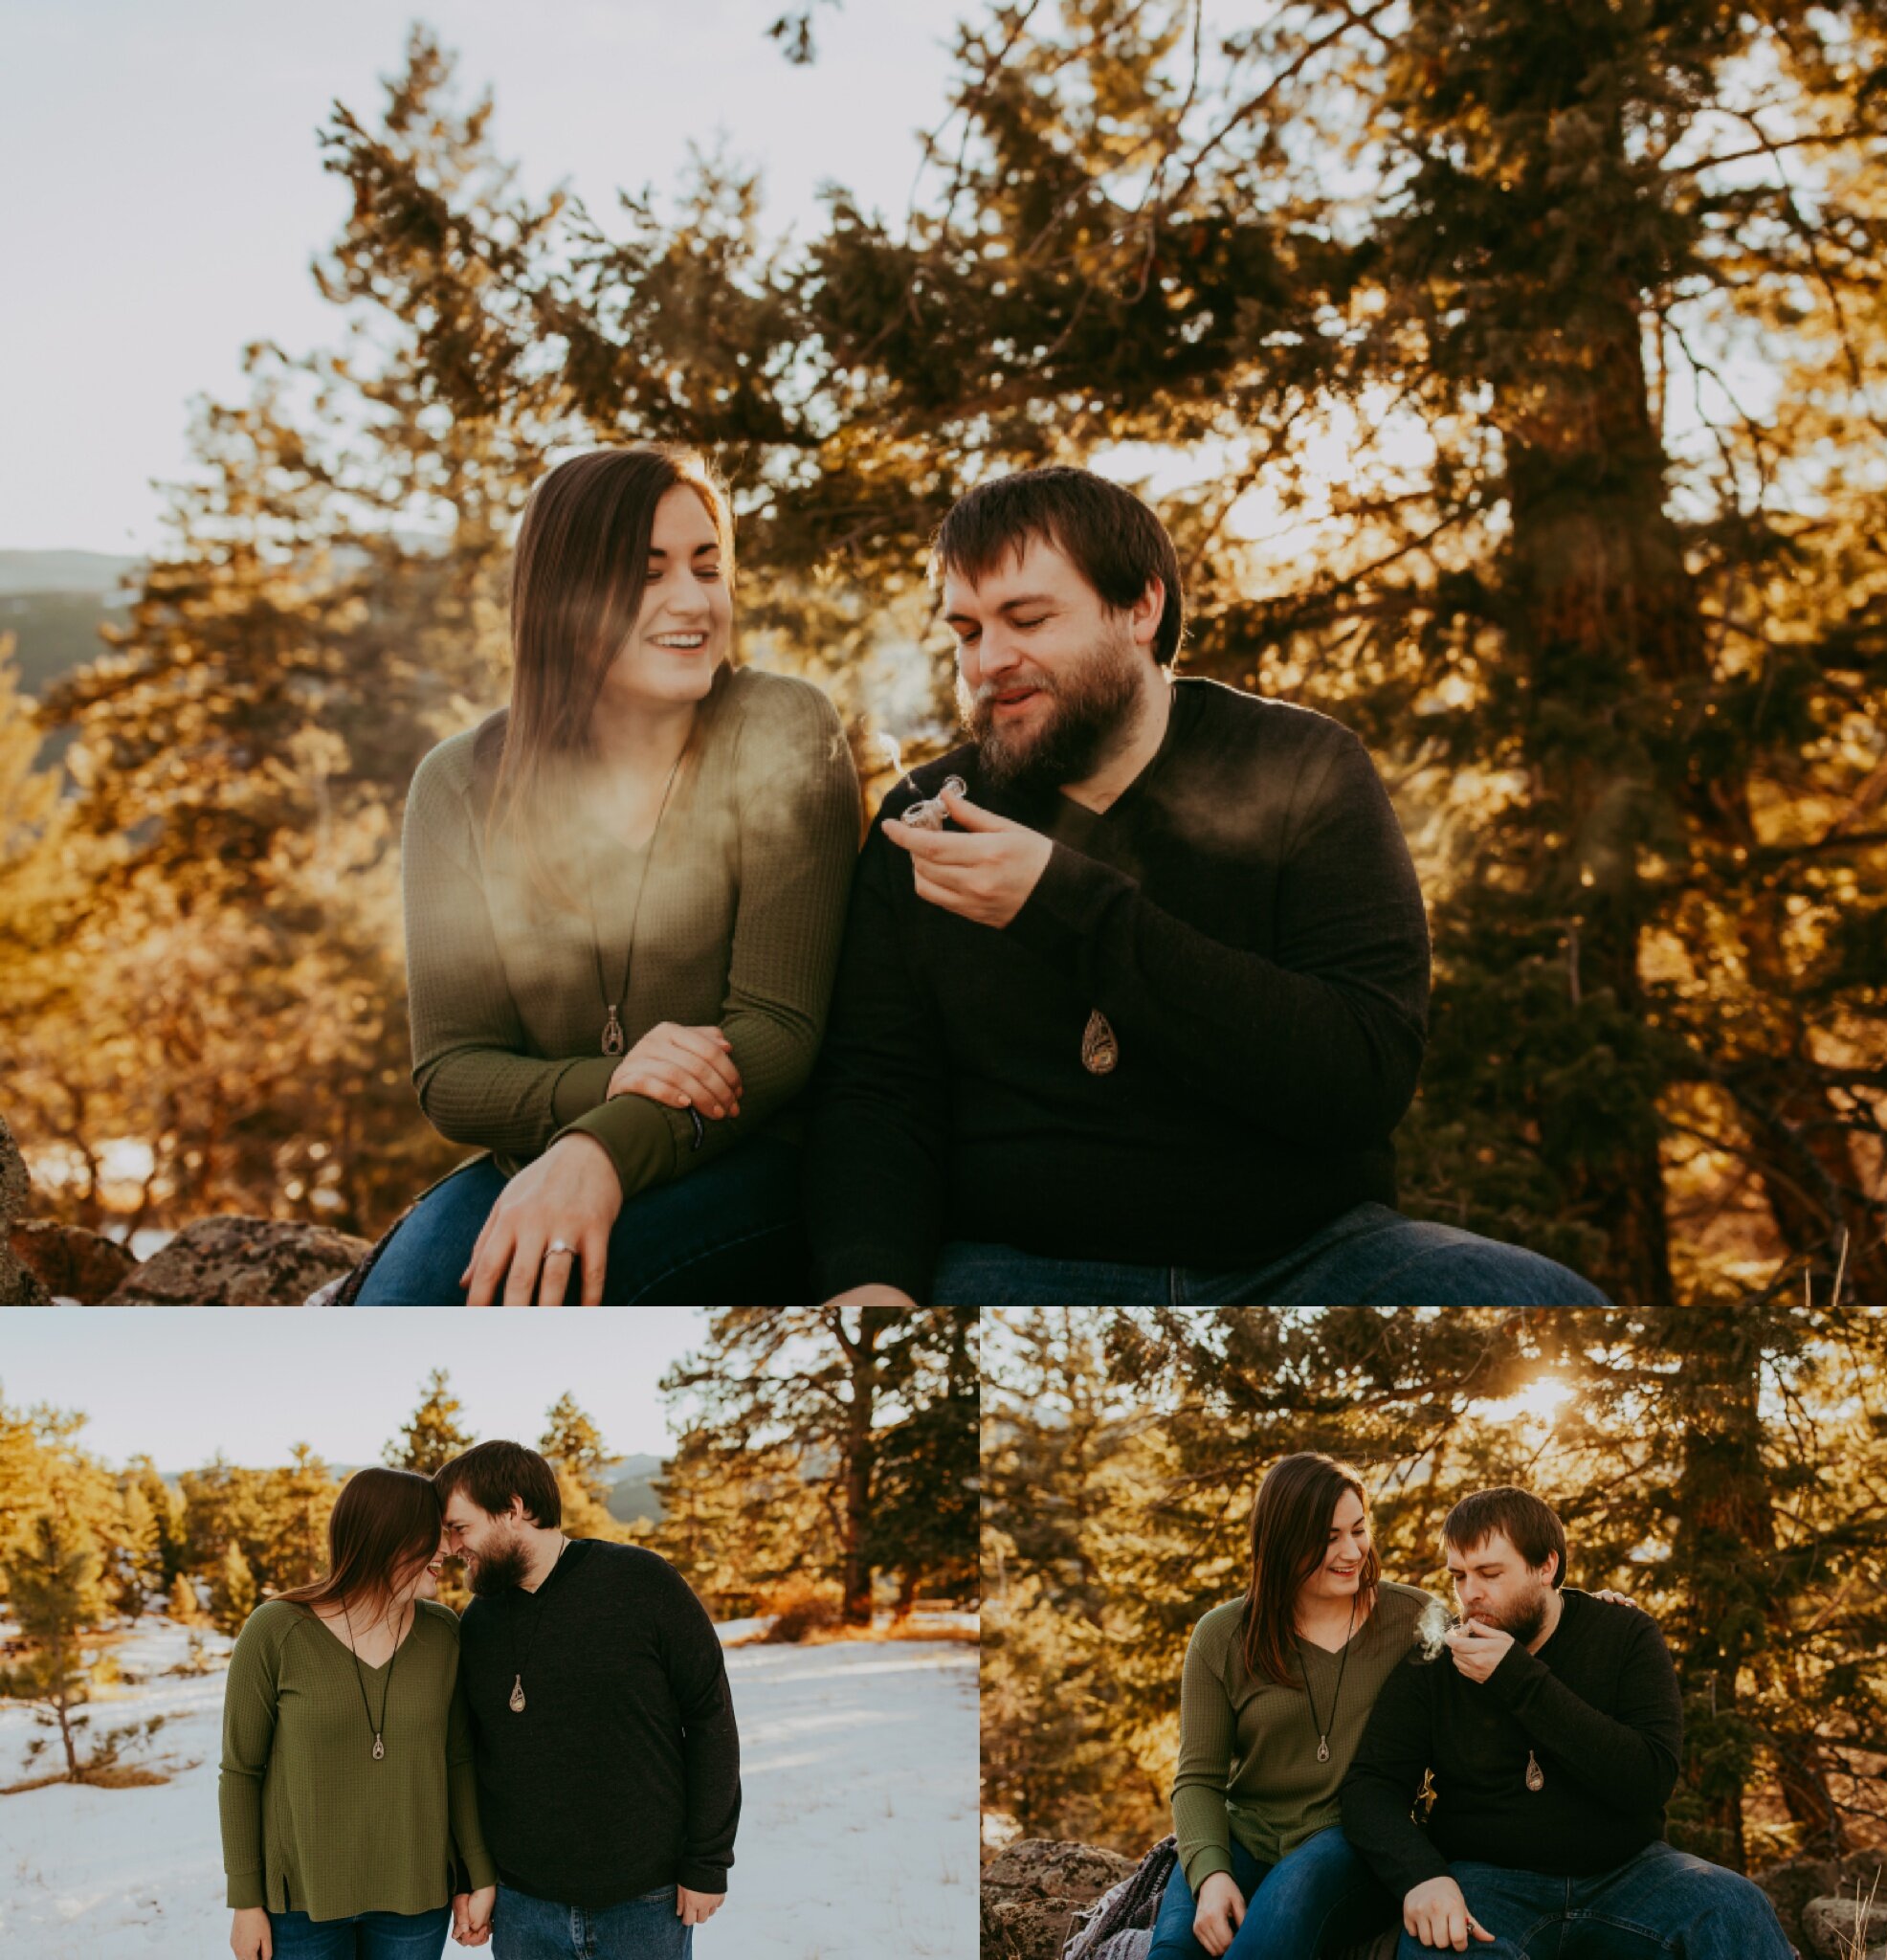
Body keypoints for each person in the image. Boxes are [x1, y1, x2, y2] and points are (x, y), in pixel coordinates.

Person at [803, 465, 1610, 1307]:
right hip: (1019, 1261)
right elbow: (875, 1090)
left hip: (1306, 1255)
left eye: (1029, 618)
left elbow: (1360, 1078)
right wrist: (870, 1281)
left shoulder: (1305, 768)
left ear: (1142, 609)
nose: (989, 661)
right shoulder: (926, 816)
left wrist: (1062, 903)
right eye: (967, 631)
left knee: (1550, 1305)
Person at [354, 442, 861, 1305]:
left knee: (570, 1296)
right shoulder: (457, 785)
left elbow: (776, 1035)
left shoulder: (781, 728)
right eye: (647, 572)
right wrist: (607, 1088)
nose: (693, 601)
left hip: (752, 1157)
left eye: (708, 567)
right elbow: (454, 1072)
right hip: (545, 1158)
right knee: (401, 1305)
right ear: (563, 596)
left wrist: (601, 1150)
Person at [1340, 1486, 1792, 1959]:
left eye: (1490, 1573)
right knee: (1442, 1950)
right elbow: (1370, 1786)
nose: (1470, 1593)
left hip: (1630, 1875)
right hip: (1489, 1881)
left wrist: (1518, 1680)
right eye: (1459, 1576)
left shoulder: (1623, 1635)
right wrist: (1423, 1876)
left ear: (1546, 1566)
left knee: (1733, 1905)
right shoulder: (1436, 1663)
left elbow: (1649, 1779)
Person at [434, 1440, 741, 1959]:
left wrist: (707, 1862)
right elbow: (470, 1760)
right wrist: (473, 1877)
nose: (452, 1548)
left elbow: (710, 1719)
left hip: (646, 1901)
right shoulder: (478, 1623)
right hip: (524, 1907)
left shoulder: (643, 1583)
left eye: (460, 1528)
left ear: (513, 1510)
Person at [1150, 1454, 1427, 1960]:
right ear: (1281, 1542)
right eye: (1327, 1538)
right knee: (1174, 1949)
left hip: (1351, 1843)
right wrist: (1211, 1874)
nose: (1352, 1551)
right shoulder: (1222, 1635)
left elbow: (1501, 1639)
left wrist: (1593, 1611)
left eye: (1358, 1529)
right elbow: (1198, 1780)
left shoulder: (1412, 1617)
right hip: (1246, 1838)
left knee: (1279, 1921)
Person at [219, 1466, 496, 1960]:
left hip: (416, 1898)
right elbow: (241, 1771)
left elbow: (457, 1759)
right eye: (432, 1536)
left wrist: (475, 1875)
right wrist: (246, 1902)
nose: (447, 1551)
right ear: (385, 1536)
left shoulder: (443, 1633)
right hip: (300, 1906)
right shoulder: (276, 1630)